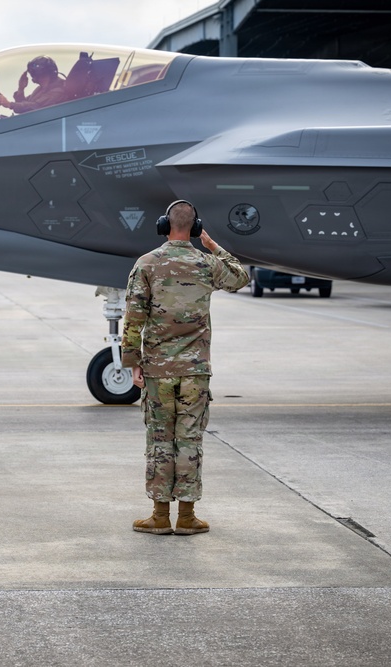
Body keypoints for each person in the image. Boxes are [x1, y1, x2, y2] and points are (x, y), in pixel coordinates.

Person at [121, 200, 249, 536]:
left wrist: (131, 362)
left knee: (160, 439)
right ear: (195, 227)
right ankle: (188, 516)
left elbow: (134, 317)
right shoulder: (206, 263)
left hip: (157, 371)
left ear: (164, 225)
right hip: (195, 371)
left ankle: (160, 516)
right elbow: (241, 278)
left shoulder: (147, 263)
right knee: (189, 439)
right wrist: (213, 246)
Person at [0, 55, 68, 114]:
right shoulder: (40, 89)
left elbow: (36, 106)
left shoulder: (59, 90)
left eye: (42, 75)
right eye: (36, 75)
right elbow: (23, 109)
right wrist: (21, 89)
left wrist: (9, 104)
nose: (39, 79)